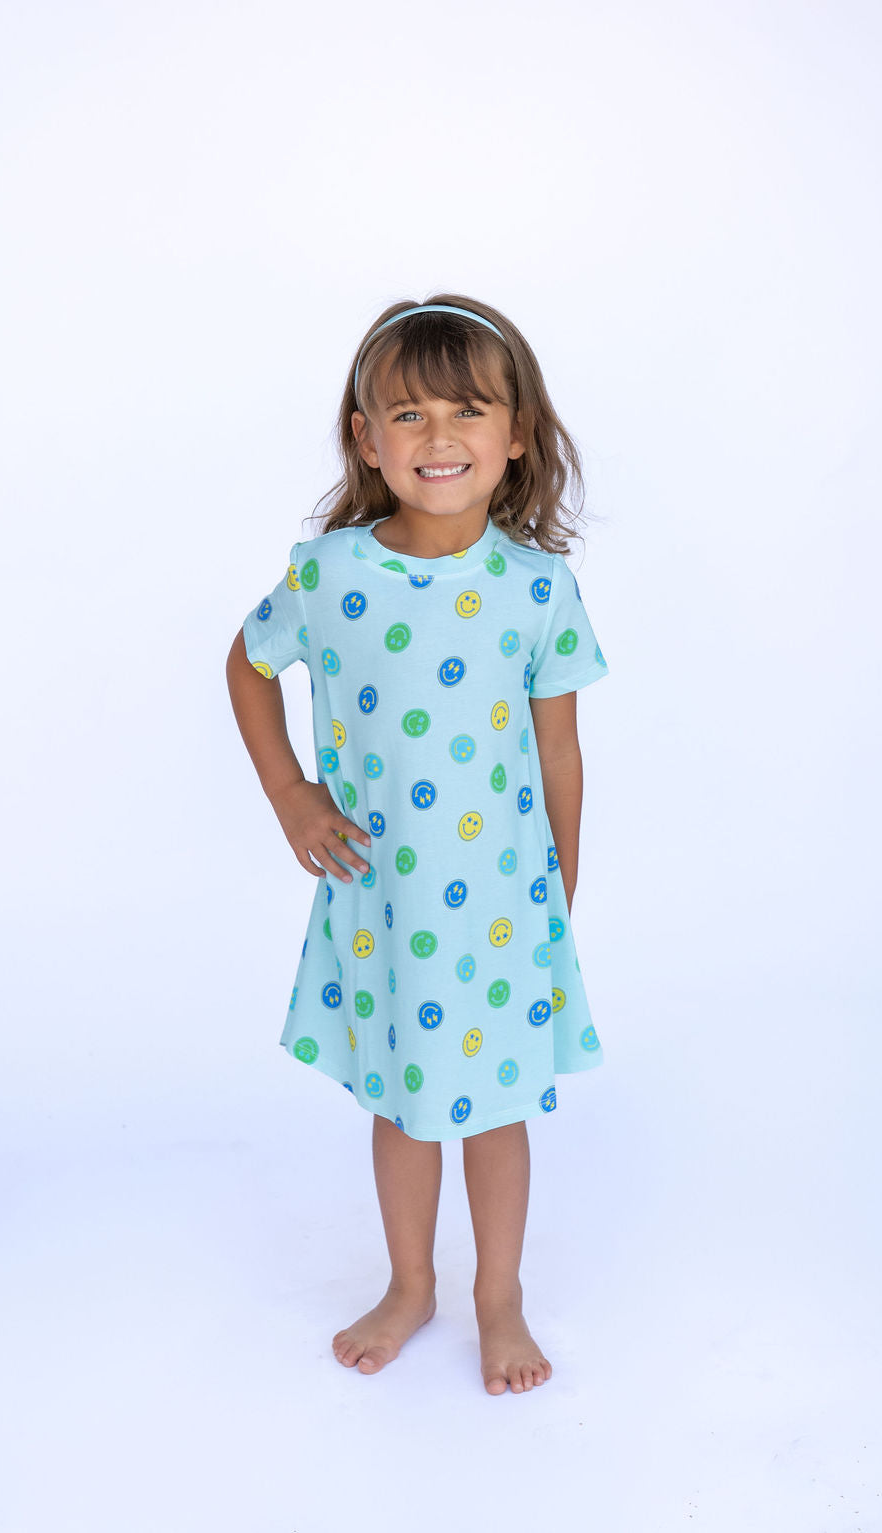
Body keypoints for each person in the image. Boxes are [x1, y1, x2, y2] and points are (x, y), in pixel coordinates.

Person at [226, 295, 609, 1396]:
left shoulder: (537, 590)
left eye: (467, 412)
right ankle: (410, 1284)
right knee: (402, 1105)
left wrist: (559, 896)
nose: (438, 439)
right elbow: (248, 667)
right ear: (367, 438)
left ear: (517, 433)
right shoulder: (330, 574)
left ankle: (500, 1294)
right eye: (408, 414)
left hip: (496, 908)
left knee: (491, 1114)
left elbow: (561, 757)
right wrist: (294, 795)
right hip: (383, 903)